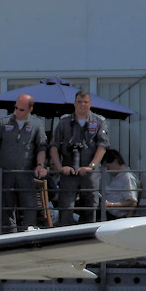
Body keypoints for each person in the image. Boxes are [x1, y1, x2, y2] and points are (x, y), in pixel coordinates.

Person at [0, 93, 48, 231]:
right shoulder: (3, 122)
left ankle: (28, 233)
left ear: (30, 110)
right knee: (6, 207)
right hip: (6, 172)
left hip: (26, 172)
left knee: (29, 205)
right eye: (16, 108)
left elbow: (41, 147)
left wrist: (40, 165)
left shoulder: (37, 124)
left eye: (21, 109)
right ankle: (9, 236)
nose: (17, 111)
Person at [49, 90, 109, 226]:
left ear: (90, 104)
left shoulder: (98, 121)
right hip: (68, 170)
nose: (82, 105)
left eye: (85, 102)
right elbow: (53, 146)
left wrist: (91, 166)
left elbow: (103, 146)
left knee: (90, 206)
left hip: (89, 173)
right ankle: (65, 236)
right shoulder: (64, 122)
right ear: (74, 103)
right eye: (79, 102)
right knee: (66, 207)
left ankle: (87, 237)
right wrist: (60, 168)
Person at [100, 149, 139, 219]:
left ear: (115, 161)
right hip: (106, 211)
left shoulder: (127, 177)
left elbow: (132, 202)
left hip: (114, 215)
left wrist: (110, 204)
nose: (107, 170)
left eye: (108, 167)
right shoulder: (115, 177)